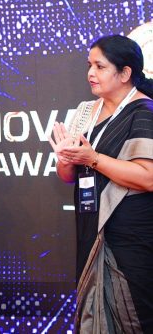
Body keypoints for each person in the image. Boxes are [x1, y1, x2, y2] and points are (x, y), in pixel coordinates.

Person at [49, 34, 153, 333]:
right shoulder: (85, 111)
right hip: (91, 225)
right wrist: (66, 159)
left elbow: (147, 178)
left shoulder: (144, 112)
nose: (90, 73)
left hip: (130, 232)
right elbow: (67, 176)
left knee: (134, 315)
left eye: (100, 66)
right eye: (89, 65)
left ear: (125, 73)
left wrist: (93, 158)